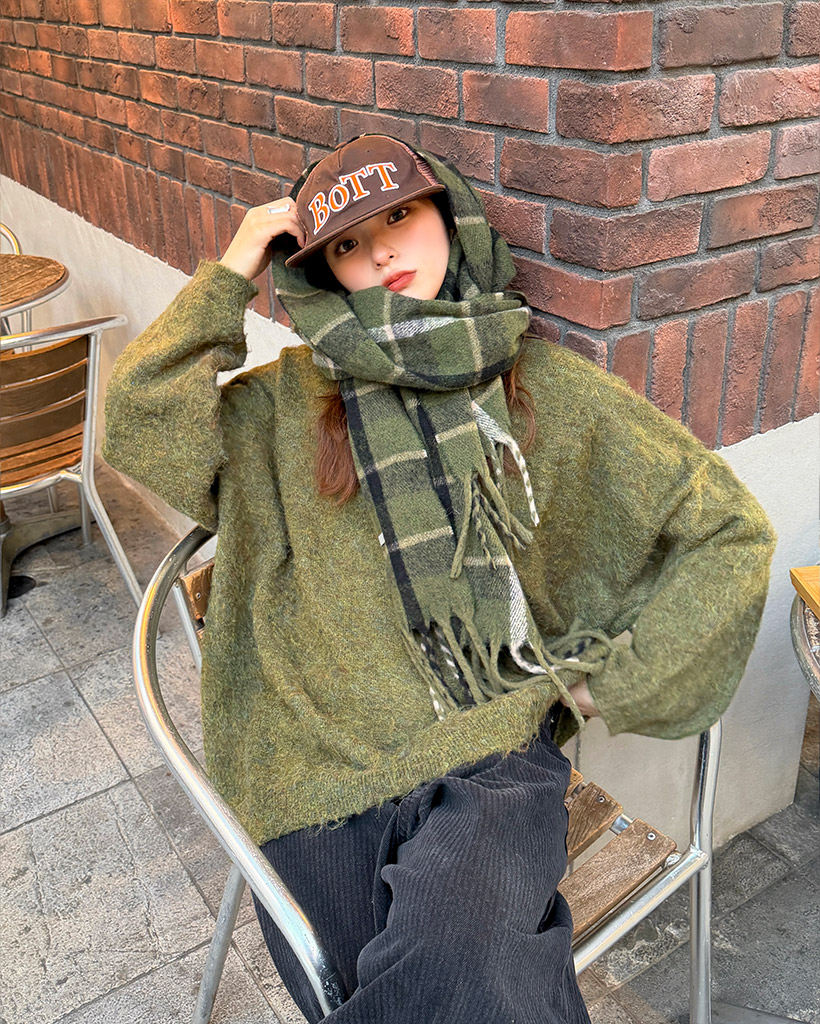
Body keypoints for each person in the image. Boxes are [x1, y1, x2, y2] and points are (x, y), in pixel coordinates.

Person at [103, 134, 775, 1023]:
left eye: (399, 217)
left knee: (463, 963)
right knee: (446, 986)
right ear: (318, 273)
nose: (381, 252)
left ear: (450, 217)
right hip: (312, 758)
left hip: (489, 747)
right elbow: (138, 422)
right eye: (347, 244)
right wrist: (230, 272)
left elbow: (727, 527)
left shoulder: (542, 384)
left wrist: (615, 681)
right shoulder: (280, 403)